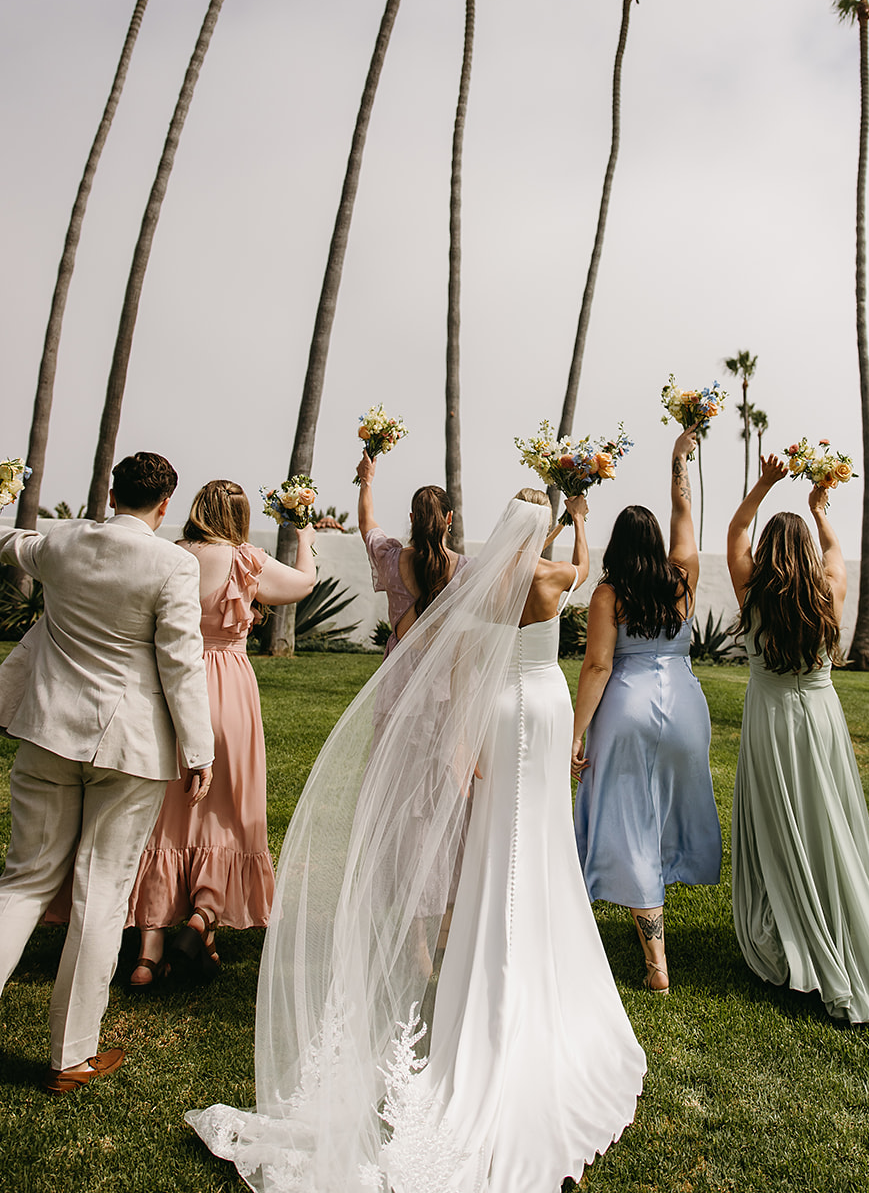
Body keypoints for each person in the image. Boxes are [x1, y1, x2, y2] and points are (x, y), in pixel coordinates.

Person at [187, 490, 645, 1192]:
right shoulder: (553, 576)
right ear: (542, 529)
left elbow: (462, 670)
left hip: (495, 711)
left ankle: (481, 943)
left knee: (497, 832)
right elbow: (580, 567)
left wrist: (465, 748)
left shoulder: (478, 584)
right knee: (542, 826)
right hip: (546, 708)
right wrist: (577, 521)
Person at [0, 452, 214, 1093]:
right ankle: (70, 1056)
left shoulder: (61, 542)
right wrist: (198, 750)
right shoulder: (173, 563)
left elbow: (13, 543)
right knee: (102, 895)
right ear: (165, 504)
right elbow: (181, 661)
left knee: (22, 883)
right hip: (130, 749)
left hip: (47, 733)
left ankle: (72, 1053)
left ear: (112, 491)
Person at [726, 455, 869, 1026]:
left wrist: (765, 481)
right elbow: (835, 550)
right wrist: (820, 509)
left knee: (774, 819)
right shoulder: (829, 590)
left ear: (767, 551)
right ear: (809, 552)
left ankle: (785, 922)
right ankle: (826, 917)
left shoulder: (754, 591)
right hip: (820, 718)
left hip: (770, 718)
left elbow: (736, 530)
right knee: (824, 820)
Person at [125, 480, 316, 986]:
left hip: (176, 686)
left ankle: (148, 950)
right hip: (230, 687)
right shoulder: (245, 560)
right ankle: (203, 916)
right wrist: (305, 533)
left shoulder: (172, 554)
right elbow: (302, 584)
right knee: (229, 809)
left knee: (167, 810)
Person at [571, 426, 720, 992]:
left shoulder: (609, 594)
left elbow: (599, 667)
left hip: (629, 706)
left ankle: (656, 963)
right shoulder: (683, 576)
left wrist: (576, 732)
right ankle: (661, 906)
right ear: (655, 544)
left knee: (630, 820)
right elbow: (684, 509)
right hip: (684, 706)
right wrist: (679, 459)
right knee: (664, 814)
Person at [355, 450, 468, 655]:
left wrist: (366, 481)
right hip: (446, 673)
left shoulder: (390, 558)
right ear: (449, 518)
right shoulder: (466, 569)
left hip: (399, 677)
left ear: (412, 518)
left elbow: (366, 523)